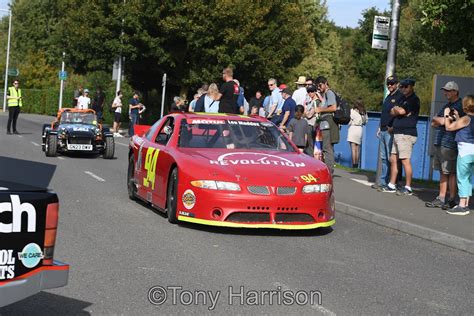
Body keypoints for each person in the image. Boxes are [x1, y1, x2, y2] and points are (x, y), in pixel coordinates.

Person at [426, 81, 464, 209]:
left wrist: (441, 120)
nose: (445, 93)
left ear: (455, 92)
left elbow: (445, 121)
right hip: (440, 141)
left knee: (451, 172)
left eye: (448, 90)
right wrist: (442, 120)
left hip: (450, 143)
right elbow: (434, 120)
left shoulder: (459, 105)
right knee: (443, 171)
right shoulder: (447, 105)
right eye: (445, 90)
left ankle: (452, 199)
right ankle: (441, 198)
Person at [382, 79, 420, 195]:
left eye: (406, 87)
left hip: (406, 134)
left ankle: (408, 187)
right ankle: (391, 184)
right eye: (402, 87)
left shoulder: (414, 99)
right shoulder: (402, 98)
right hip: (397, 133)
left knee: (405, 160)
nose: (403, 89)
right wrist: (396, 110)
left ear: (411, 87)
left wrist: (397, 110)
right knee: (393, 159)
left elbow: (402, 111)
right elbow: (392, 111)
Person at [373, 75, 404, 190]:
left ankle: (394, 182)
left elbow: (400, 114)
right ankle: (383, 182)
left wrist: (393, 127)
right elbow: (384, 113)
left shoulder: (400, 96)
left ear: (397, 84)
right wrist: (379, 127)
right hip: (383, 129)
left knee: (392, 158)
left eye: (392, 83)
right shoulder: (388, 97)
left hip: (391, 131)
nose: (390, 85)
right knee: (384, 158)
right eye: (388, 84)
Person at [444, 95, 474, 215]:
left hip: (465, 152)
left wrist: (447, 114)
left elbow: (449, 127)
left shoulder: (467, 118)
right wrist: (457, 117)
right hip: (472, 151)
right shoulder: (468, 119)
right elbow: (463, 126)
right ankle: (466, 203)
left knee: (462, 178)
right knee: (468, 178)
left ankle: (461, 206)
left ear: (465, 105)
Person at [315, 76, 339, 173]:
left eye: (320, 85)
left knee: (327, 147)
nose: (319, 88)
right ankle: (329, 168)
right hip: (326, 123)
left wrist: (321, 109)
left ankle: (329, 170)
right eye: (318, 86)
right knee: (328, 147)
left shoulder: (329, 93)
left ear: (325, 83)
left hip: (328, 123)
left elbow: (333, 108)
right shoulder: (325, 94)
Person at [347, 99, 368, 168]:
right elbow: (366, 121)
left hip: (353, 128)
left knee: (353, 149)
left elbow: (349, 121)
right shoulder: (363, 112)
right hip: (360, 129)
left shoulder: (352, 111)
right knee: (357, 148)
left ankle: (353, 165)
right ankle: (357, 165)